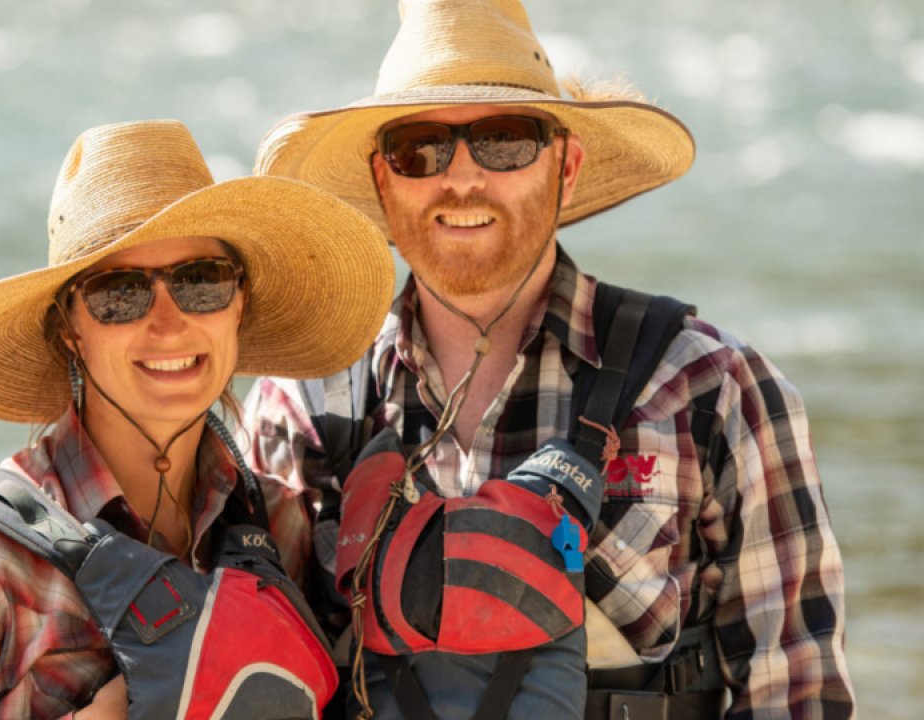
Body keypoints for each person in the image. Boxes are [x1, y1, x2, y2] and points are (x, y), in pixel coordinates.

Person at [242, 0, 855, 718]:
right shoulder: (303, 408)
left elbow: (796, 693)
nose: (462, 178)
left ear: (566, 167)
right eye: (421, 149)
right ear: (383, 181)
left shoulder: (714, 390)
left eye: (505, 141)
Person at [0, 119, 396, 719]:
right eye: (121, 293)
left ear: (238, 304)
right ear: (69, 328)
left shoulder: (281, 527)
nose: (168, 322)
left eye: (202, 282)